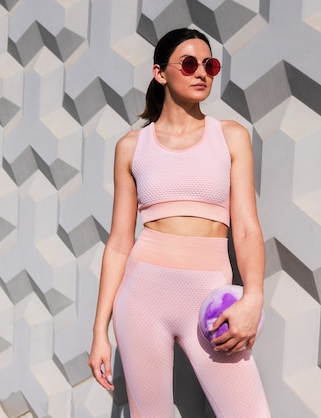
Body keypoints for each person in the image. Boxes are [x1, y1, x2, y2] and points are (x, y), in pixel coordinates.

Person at [87, 27, 271, 417]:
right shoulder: (132, 147)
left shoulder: (232, 136)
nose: (201, 72)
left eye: (210, 65)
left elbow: (247, 229)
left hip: (210, 301)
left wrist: (253, 296)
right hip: (142, 299)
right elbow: (120, 243)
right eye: (189, 64)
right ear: (160, 73)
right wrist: (99, 332)